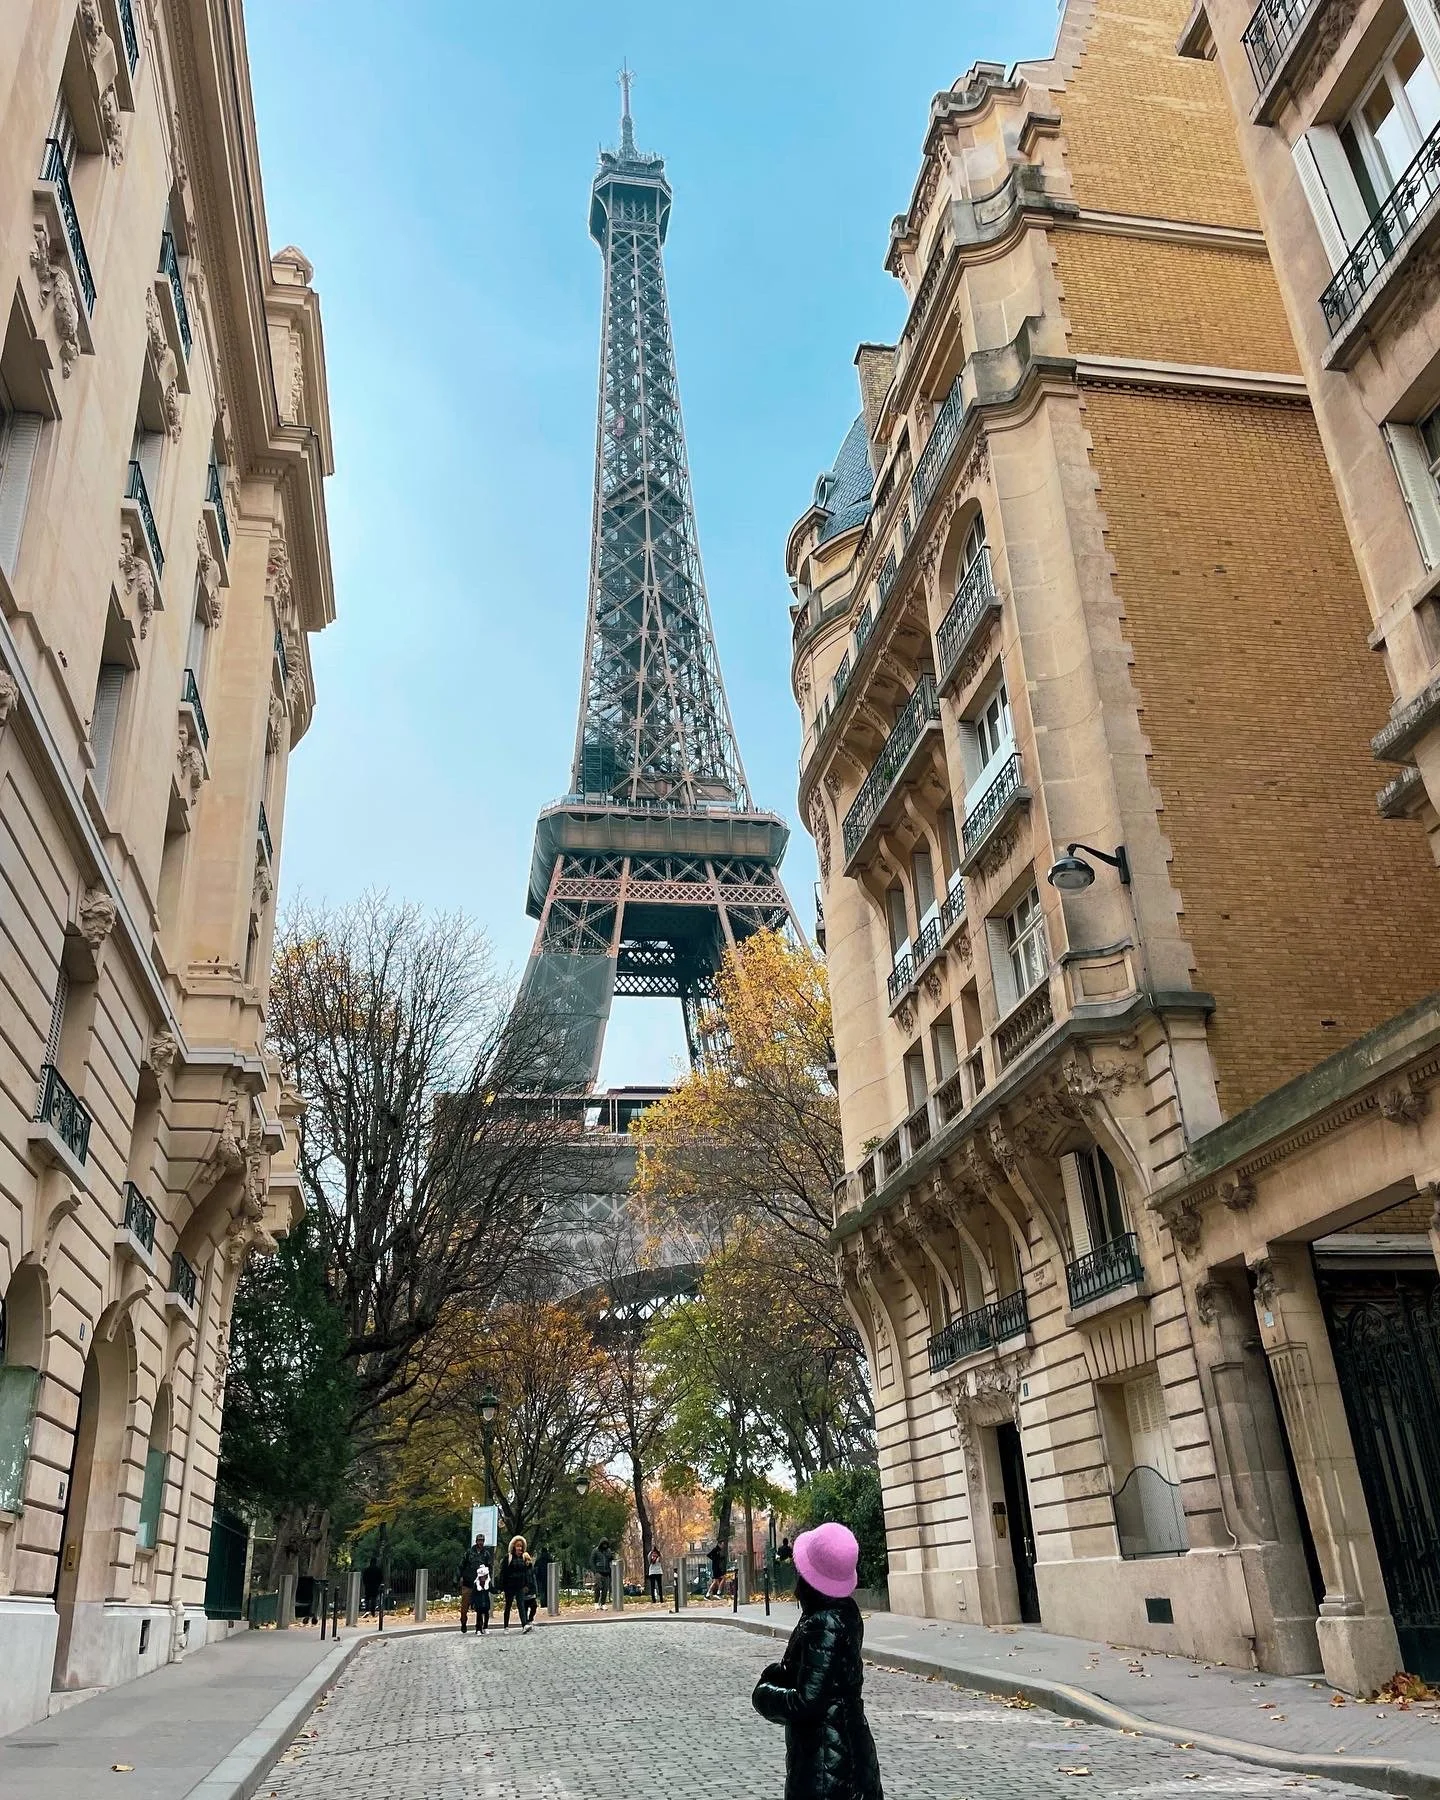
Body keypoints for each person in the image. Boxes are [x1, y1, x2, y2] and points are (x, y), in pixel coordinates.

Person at [751, 1523, 882, 1800]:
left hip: (826, 1761)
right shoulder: (843, 1612)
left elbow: (806, 1701)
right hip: (848, 1749)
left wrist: (764, 1694)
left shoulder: (823, 1622)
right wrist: (783, 1671)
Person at [499, 1533, 537, 1632]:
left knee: (521, 1605)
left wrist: (526, 1585)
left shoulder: (524, 1558)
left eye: (521, 1546)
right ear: (514, 1547)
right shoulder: (509, 1557)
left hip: (520, 1586)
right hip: (510, 1586)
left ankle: (524, 1625)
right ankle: (506, 1626)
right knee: (508, 1606)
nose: (519, 1548)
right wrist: (502, 1586)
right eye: (518, 1546)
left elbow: (526, 1573)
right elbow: (503, 1572)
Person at [458, 1532, 493, 1635]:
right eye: (479, 1540)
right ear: (476, 1541)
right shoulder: (469, 1553)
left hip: (480, 1584)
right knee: (465, 1606)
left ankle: (480, 1627)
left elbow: (489, 1567)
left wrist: (487, 1579)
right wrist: (458, 1578)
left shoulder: (486, 1554)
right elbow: (461, 1565)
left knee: (480, 1606)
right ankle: (463, 1622)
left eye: (482, 1541)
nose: (480, 1542)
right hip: (468, 1582)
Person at [471, 1558, 492, 1635]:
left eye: (484, 1577)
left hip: (486, 1602)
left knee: (486, 1615)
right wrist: (472, 1603)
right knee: (479, 1616)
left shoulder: (488, 1583)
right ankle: (478, 1629)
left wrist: (498, 1590)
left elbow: (492, 1589)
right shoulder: (476, 1584)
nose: (483, 1578)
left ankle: (485, 1627)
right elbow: (473, 1594)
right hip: (478, 1603)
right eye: (482, 1577)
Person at [590, 1537, 612, 1607]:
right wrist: (595, 1571)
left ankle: (603, 1603)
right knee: (598, 1586)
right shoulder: (595, 1551)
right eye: (603, 1544)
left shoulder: (608, 1551)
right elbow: (592, 1561)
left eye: (606, 1544)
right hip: (598, 1571)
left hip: (606, 1572)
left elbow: (610, 1560)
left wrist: (612, 1557)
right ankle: (596, 1602)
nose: (605, 1545)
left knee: (605, 1589)